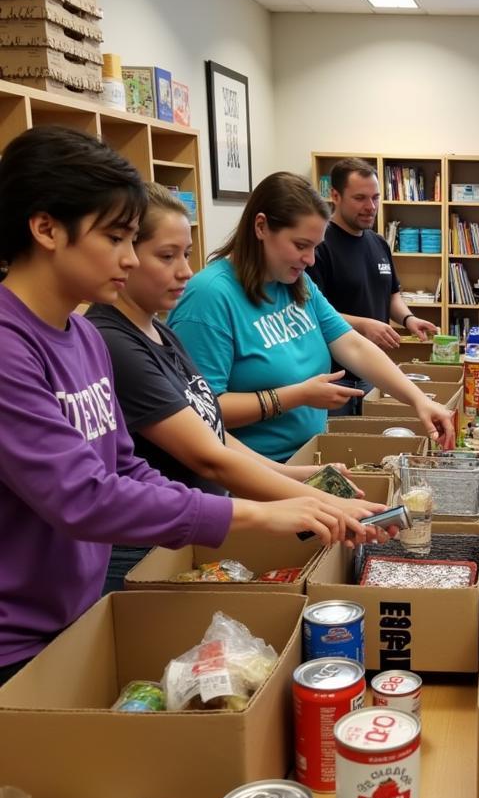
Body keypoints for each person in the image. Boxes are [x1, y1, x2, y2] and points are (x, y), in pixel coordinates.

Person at [0, 127, 354, 686]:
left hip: (76, 609)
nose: (128, 257)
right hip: (14, 639)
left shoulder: (83, 336)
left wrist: (284, 495)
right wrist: (257, 513)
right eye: (117, 237)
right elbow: (81, 497)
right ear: (45, 228)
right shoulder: (10, 346)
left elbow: (127, 467)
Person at [87, 184, 389, 590]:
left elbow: (214, 432)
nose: (185, 272)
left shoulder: (159, 331)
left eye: (186, 254)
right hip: (146, 547)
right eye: (166, 256)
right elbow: (208, 457)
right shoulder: (114, 341)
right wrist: (322, 503)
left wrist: (297, 476)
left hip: (188, 526)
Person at [168, 172, 455, 462]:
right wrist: (297, 396)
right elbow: (200, 412)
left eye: (316, 247)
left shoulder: (297, 283)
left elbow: (353, 346)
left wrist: (417, 400)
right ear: (261, 226)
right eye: (301, 245)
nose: (311, 260)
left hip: (308, 457)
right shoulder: (208, 298)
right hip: (256, 474)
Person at [310, 158, 439, 415]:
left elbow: (391, 295)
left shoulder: (378, 243)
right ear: (335, 195)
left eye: (376, 198)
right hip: (334, 378)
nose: (371, 207)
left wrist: (409, 319)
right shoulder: (318, 245)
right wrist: (363, 324)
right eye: (360, 198)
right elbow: (312, 313)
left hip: (372, 375)